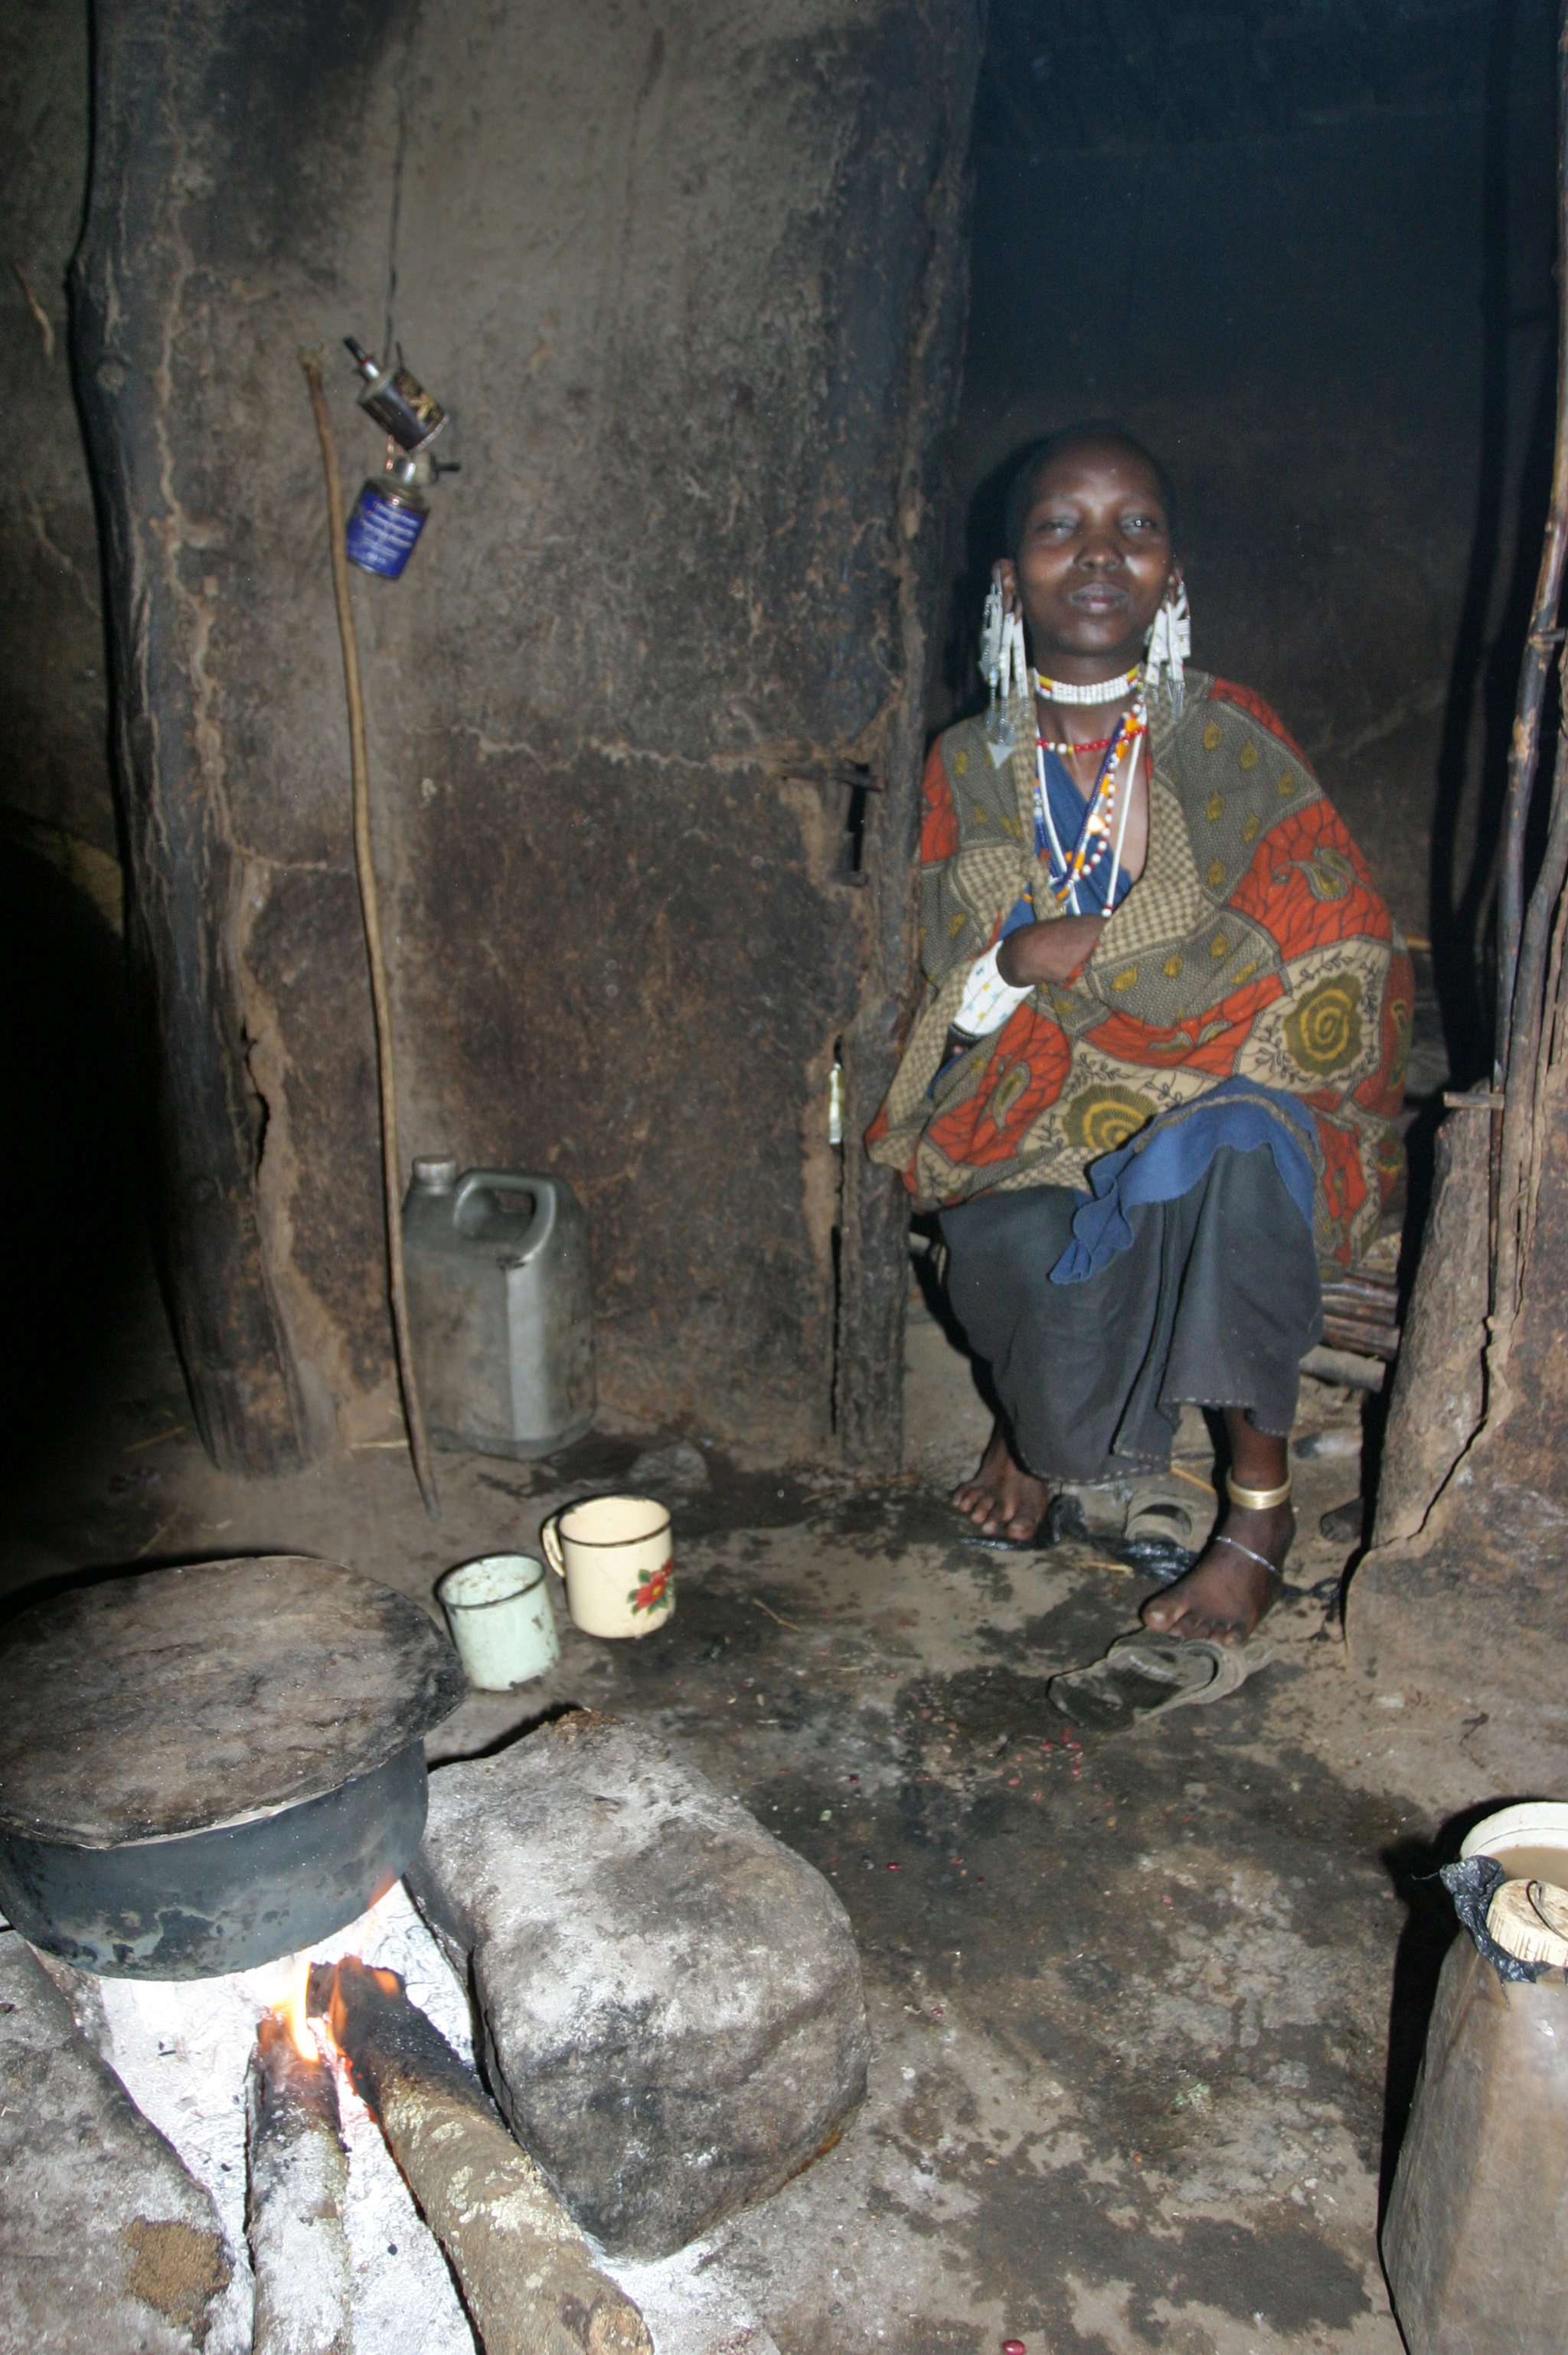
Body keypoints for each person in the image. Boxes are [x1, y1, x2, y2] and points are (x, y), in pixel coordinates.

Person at [867, 427, 1411, 1644]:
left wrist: (1109, 964)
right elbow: (932, 999)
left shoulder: (1233, 738)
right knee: (1010, 1240)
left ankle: (1255, 1513)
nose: (1101, 554)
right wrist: (1020, 959)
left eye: (1137, 527)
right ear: (1011, 580)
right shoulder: (966, 764)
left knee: (1226, 1150)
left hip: (1238, 1107)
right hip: (1032, 1118)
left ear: (1173, 573)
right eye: (1062, 525)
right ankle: (1038, 1428)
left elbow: (1343, 958)